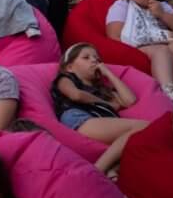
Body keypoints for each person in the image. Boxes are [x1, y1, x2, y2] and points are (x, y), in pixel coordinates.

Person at [52, 42, 149, 175]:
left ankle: (111, 169)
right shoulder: (66, 78)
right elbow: (76, 95)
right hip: (79, 117)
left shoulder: (102, 90)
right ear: (69, 67)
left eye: (97, 59)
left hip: (99, 120)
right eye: (86, 58)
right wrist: (105, 104)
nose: (94, 61)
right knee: (143, 126)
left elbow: (130, 101)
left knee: (144, 137)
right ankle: (97, 170)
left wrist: (108, 73)